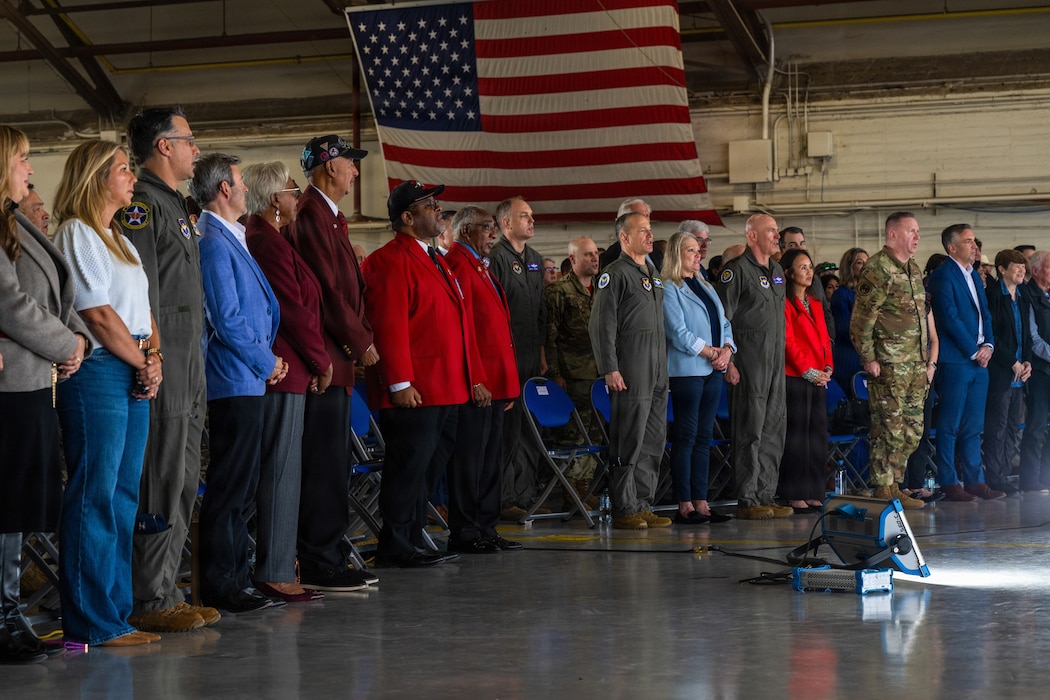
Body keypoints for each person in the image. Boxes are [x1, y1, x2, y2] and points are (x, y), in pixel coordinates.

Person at [53, 140, 164, 646]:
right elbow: (97, 313)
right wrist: (142, 362)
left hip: (133, 364)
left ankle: (116, 613)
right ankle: (92, 622)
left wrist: (154, 359)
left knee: (122, 495)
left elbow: (143, 311)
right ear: (97, 177)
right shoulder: (77, 232)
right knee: (95, 492)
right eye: (122, 169)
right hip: (100, 369)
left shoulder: (119, 237)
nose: (131, 177)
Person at [121, 107, 218, 633]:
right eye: (188, 139)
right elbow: (143, 294)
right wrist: (151, 355)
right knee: (161, 478)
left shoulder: (173, 204)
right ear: (163, 146)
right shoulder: (141, 205)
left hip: (189, 359)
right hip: (166, 362)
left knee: (183, 479)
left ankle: (167, 590)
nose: (195, 150)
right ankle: (149, 597)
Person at [0, 125, 89, 663]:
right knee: (5, 504)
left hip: (33, 379)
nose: (31, 171)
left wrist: (76, 340)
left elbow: (55, 293)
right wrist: (66, 342)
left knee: (14, 509)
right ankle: (3, 616)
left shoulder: (14, 222)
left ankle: (8, 612)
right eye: (24, 160)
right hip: (12, 383)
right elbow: (10, 303)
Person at [362, 180, 479, 567]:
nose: (438, 210)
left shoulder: (435, 259)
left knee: (427, 469)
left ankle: (411, 537)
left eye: (437, 204)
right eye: (429, 205)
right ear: (408, 217)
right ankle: (395, 544)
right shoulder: (388, 260)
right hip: (417, 389)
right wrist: (400, 382)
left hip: (447, 386)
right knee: (407, 467)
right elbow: (390, 325)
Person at [192, 153, 288, 613]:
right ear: (224, 190)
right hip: (233, 378)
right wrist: (264, 359)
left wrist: (266, 360)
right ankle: (220, 585)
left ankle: (237, 577)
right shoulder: (212, 240)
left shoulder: (233, 236)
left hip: (248, 375)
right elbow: (226, 320)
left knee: (243, 485)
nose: (247, 188)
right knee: (230, 485)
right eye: (239, 182)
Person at [286, 135, 378, 588]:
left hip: (335, 358)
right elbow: (325, 287)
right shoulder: (311, 214)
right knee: (322, 464)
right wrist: (360, 341)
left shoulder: (329, 216)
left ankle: (330, 550)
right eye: (350, 164)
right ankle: (320, 560)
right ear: (328, 168)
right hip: (325, 358)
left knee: (334, 463)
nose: (356, 172)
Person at [243, 162, 335, 599]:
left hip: (293, 368)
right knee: (280, 471)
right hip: (284, 369)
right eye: (292, 189)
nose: (297, 196)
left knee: (286, 470)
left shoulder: (274, 239)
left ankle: (280, 565)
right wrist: (321, 359)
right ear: (272, 198)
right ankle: (275, 570)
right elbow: (292, 310)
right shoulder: (263, 240)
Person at [441, 206, 523, 552]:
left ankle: (486, 528)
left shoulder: (480, 266)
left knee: (490, 460)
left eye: (493, 228)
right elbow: (464, 330)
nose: (493, 234)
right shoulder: (458, 265)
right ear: (465, 231)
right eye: (487, 228)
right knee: (470, 461)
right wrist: (477, 378)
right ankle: (466, 531)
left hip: (495, 380)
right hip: (479, 382)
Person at [589, 211, 672, 530]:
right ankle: (624, 506)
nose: (650, 236)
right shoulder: (615, 274)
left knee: (653, 438)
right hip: (630, 367)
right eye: (643, 231)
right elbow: (602, 325)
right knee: (629, 437)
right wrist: (609, 368)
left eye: (651, 230)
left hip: (657, 370)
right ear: (624, 237)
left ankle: (643, 502)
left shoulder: (653, 274)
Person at [848, 213, 927, 509]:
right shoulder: (878, 268)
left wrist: (926, 360)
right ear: (893, 235)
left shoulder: (914, 269)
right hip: (889, 362)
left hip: (915, 363)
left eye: (918, 231)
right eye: (911, 231)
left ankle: (894, 482)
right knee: (888, 427)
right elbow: (861, 319)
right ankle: (883, 487)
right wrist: (868, 357)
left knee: (913, 429)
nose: (917, 237)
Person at [715, 214, 791, 520]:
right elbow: (723, 320)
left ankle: (765, 494)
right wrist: (729, 362)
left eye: (776, 230)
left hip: (775, 363)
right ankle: (747, 497)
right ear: (752, 236)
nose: (777, 235)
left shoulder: (776, 272)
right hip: (748, 362)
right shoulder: (736, 272)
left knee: (774, 428)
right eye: (771, 231)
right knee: (750, 429)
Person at [661, 230, 735, 524]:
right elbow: (678, 333)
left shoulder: (706, 284)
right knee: (686, 437)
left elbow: (724, 322)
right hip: (688, 371)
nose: (698, 254)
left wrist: (727, 350)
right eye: (691, 250)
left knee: (704, 436)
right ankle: (684, 503)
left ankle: (702, 501)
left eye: (698, 250)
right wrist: (710, 352)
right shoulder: (670, 287)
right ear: (676, 254)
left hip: (713, 369)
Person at [927, 224, 1004, 502]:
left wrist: (989, 345)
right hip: (957, 360)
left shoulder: (973, 274)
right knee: (949, 424)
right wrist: (974, 350)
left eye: (973, 241)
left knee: (973, 425)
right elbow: (948, 318)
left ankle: (975, 481)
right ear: (952, 247)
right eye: (968, 241)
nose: (974, 246)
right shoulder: (942, 276)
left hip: (980, 361)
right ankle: (949, 482)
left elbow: (986, 315)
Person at [489, 196, 547, 521]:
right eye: (524, 215)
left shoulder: (535, 259)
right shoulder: (496, 258)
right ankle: (504, 497)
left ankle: (526, 494)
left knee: (530, 428)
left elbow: (540, 310)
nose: (531, 220)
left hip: (530, 354)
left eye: (532, 215)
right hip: (506, 357)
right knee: (508, 430)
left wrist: (541, 352)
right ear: (506, 223)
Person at [544, 235, 602, 509]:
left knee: (594, 435)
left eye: (595, 254)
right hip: (572, 374)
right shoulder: (559, 291)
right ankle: (571, 492)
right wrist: (555, 373)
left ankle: (583, 488)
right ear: (572, 259)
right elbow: (549, 336)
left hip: (598, 375)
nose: (594, 258)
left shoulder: (601, 290)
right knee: (573, 436)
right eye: (587, 254)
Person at [778, 248, 833, 512]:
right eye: (802, 267)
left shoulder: (816, 303)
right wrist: (808, 371)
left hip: (818, 377)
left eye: (810, 267)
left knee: (817, 436)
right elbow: (788, 343)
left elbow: (825, 340)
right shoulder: (785, 303)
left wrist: (828, 367)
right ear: (788, 273)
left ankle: (814, 490)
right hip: (797, 377)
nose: (809, 271)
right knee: (797, 437)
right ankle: (794, 492)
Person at [982, 249, 1032, 495]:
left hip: (1019, 373)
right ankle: (995, 477)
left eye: (1023, 266)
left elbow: (1027, 336)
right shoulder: (992, 295)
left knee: (1013, 425)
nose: (1022, 270)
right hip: (1001, 371)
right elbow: (992, 336)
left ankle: (1004, 473)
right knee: (997, 427)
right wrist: (1012, 360)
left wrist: (1028, 362)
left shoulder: (1022, 296)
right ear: (1002, 269)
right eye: (1016, 266)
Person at [1017, 250, 1050, 493]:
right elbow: (1033, 337)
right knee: (1036, 425)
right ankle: (1029, 479)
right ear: (1036, 270)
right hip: (1040, 371)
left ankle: (1046, 476)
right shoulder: (1028, 295)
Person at [778, 227, 834, 338]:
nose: (800, 248)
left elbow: (825, 312)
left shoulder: (814, 279)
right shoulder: (777, 279)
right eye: (792, 245)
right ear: (782, 249)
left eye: (802, 243)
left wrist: (829, 341)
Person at [830, 247, 868, 389]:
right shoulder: (841, 295)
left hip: (867, 359)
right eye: (860, 262)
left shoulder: (871, 295)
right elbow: (845, 329)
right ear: (849, 266)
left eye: (867, 262)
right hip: (849, 359)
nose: (865, 266)